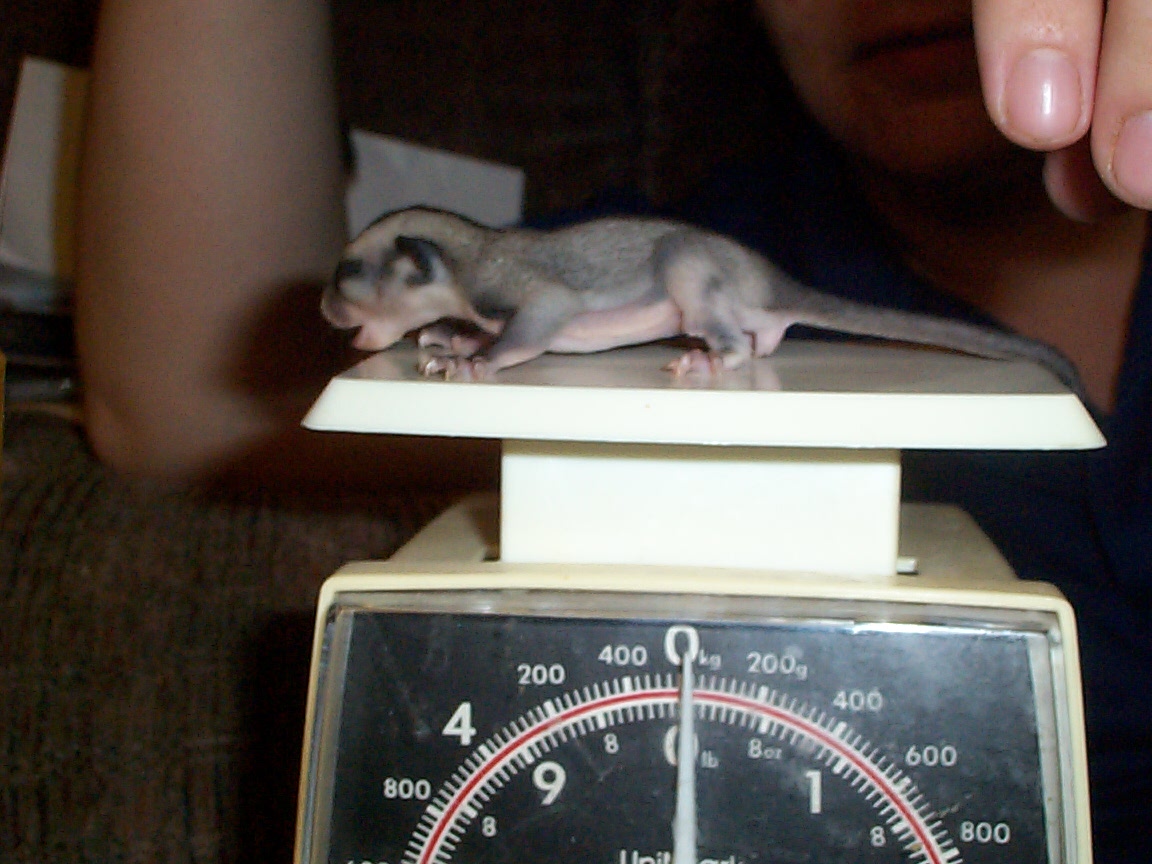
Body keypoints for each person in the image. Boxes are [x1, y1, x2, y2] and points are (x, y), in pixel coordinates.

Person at [74, 0, 1150, 859]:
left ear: (416, 271)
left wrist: (502, 354)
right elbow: (192, 409)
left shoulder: (543, 278)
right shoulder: (649, 226)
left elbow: (537, 320)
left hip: (717, 300)